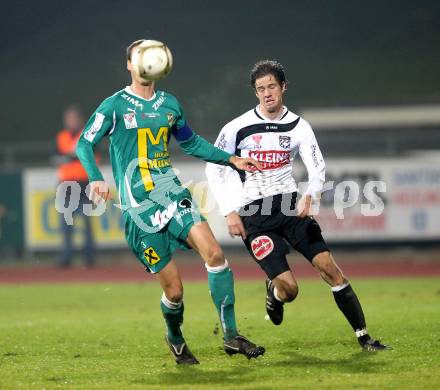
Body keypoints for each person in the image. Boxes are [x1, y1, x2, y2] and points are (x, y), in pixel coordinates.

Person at [75, 39, 265, 365]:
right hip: (140, 211)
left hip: (172, 194)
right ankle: (175, 338)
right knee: (174, 292)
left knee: (215, 253)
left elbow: (191, 143)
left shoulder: (170, 104)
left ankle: (232, 335)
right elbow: (83, 143)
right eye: (139, 57)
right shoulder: (114, 106)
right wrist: (95, 177)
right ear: (130, 65)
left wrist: (231, 159)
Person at [205, 60, 390, 352]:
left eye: (272, 87)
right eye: (260, 89)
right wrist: (229, 210)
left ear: (283, 87)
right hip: (255, 213)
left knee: (329, 267)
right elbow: (214, 167)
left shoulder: (299, 126)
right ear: (255, 93)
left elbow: (317, 166)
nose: (267, 93)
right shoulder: (237, 127)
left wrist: (311, 194)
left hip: (291, 206)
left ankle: (365, 338)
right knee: (291, 290)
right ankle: (276, 293)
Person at [56, 106, 95, 267]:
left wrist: (69, 157)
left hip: (83, 183)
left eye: (74, 118)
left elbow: (91, 155)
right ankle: (67, 257)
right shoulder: (62, 136)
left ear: (80, 120)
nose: (71, 121)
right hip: (66, 185)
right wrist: (72, 156)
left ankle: (89, 257)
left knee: (86, 223)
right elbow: (56, 157)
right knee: (66, 223)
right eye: (69, 118)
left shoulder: (87, 134)